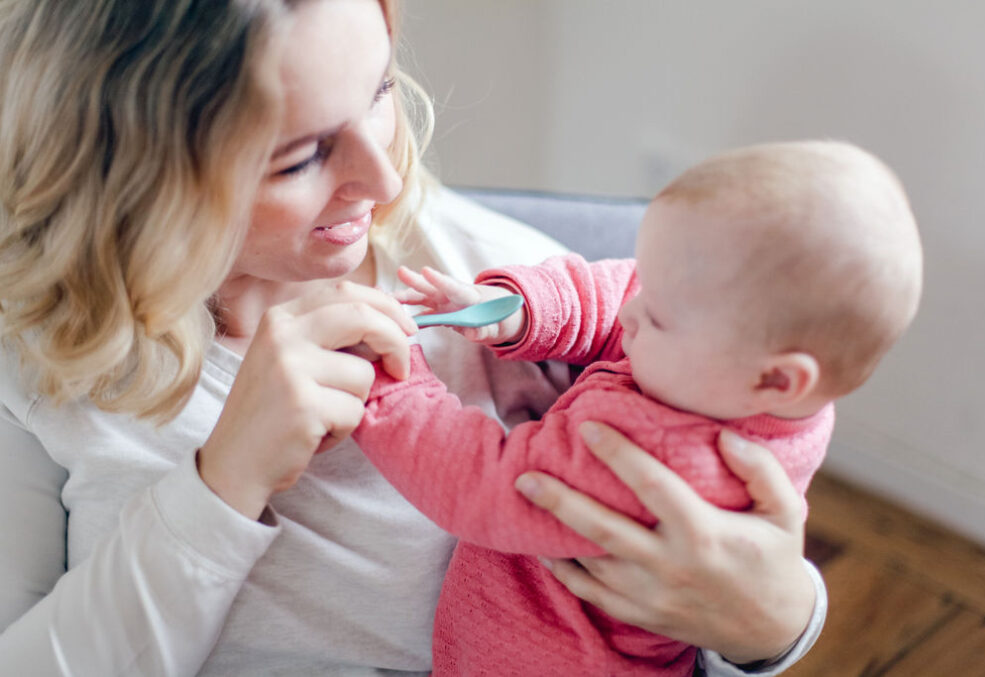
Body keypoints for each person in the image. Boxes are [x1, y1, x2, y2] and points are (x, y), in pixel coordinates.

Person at [0, 1, 825, 674]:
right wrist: (224, 482)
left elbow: (702, 518)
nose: (386, 179)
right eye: (300, 158)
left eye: (380, 91)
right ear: (133, 176)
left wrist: (776, 617)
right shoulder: (36, 370)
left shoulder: (472, 268)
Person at [351, 140, 923, 675]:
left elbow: (482, 482)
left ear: (777, 377)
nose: (632, 313)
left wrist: (390, 384)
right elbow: (621, 292)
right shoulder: (735, 377)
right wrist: (522, 309)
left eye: (659, 317)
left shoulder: (663, 456)